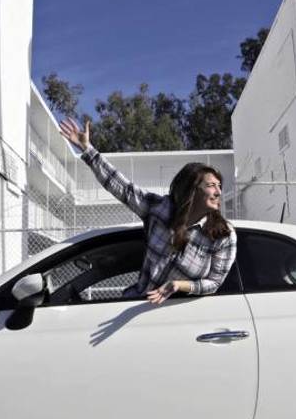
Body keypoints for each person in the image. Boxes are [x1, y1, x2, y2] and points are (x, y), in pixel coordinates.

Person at [59, 117, 237, 304]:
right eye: (211, 185)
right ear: (192, 189)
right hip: (140, 305)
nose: (218, 192)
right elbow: (121, 187)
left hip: (181, 316)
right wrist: (87, 150)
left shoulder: (223, 234)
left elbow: (215, 283)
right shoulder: (160, 209)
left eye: (219, 185)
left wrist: (179, 285)